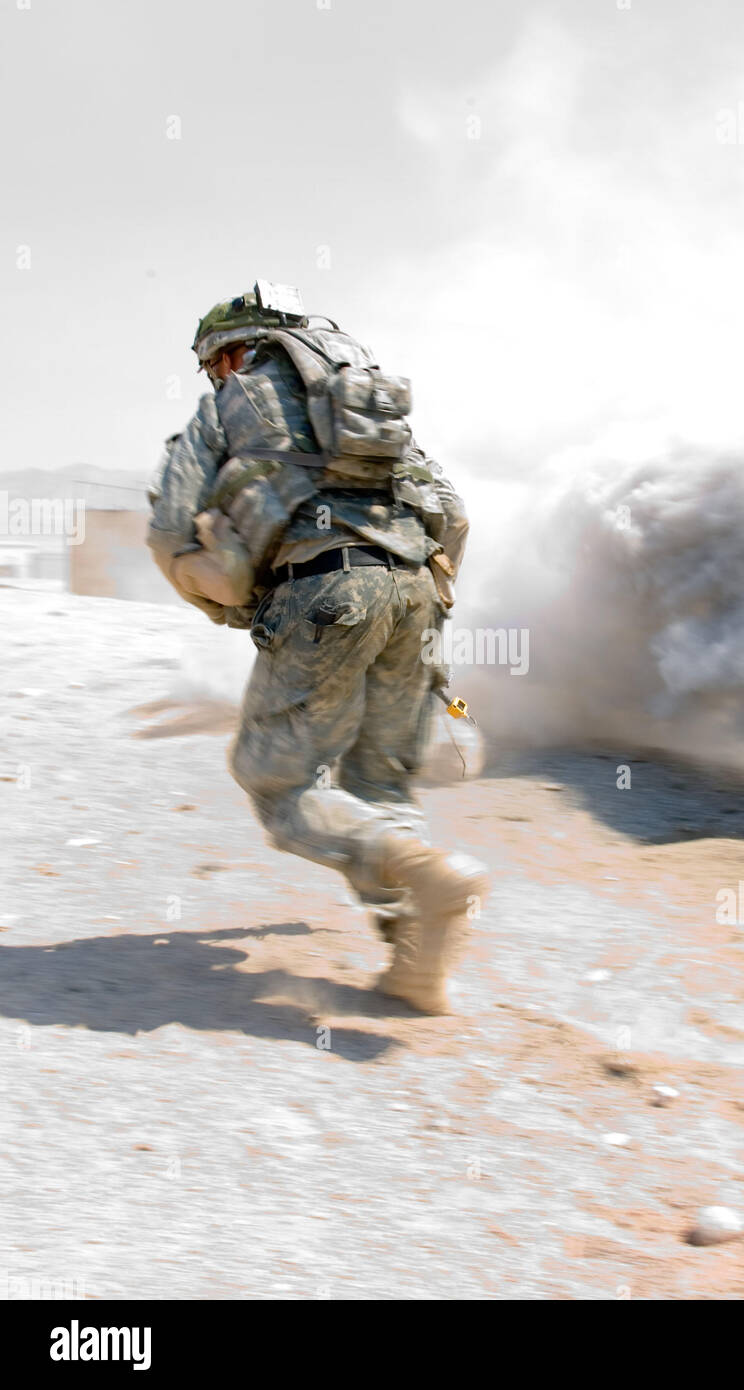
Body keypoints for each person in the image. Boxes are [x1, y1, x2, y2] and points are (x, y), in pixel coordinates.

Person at [147, 282, 487, 1013]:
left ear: (238, 349)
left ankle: (423, 873)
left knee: (277, 779)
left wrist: (220, 595)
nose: (217, 376)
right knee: (382, 785)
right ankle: (416, 961)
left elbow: (168, 530)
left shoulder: (226, 405)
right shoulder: (370, 411)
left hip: (323, 594)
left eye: (216, 362)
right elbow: (454, 516)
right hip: (413, 594)